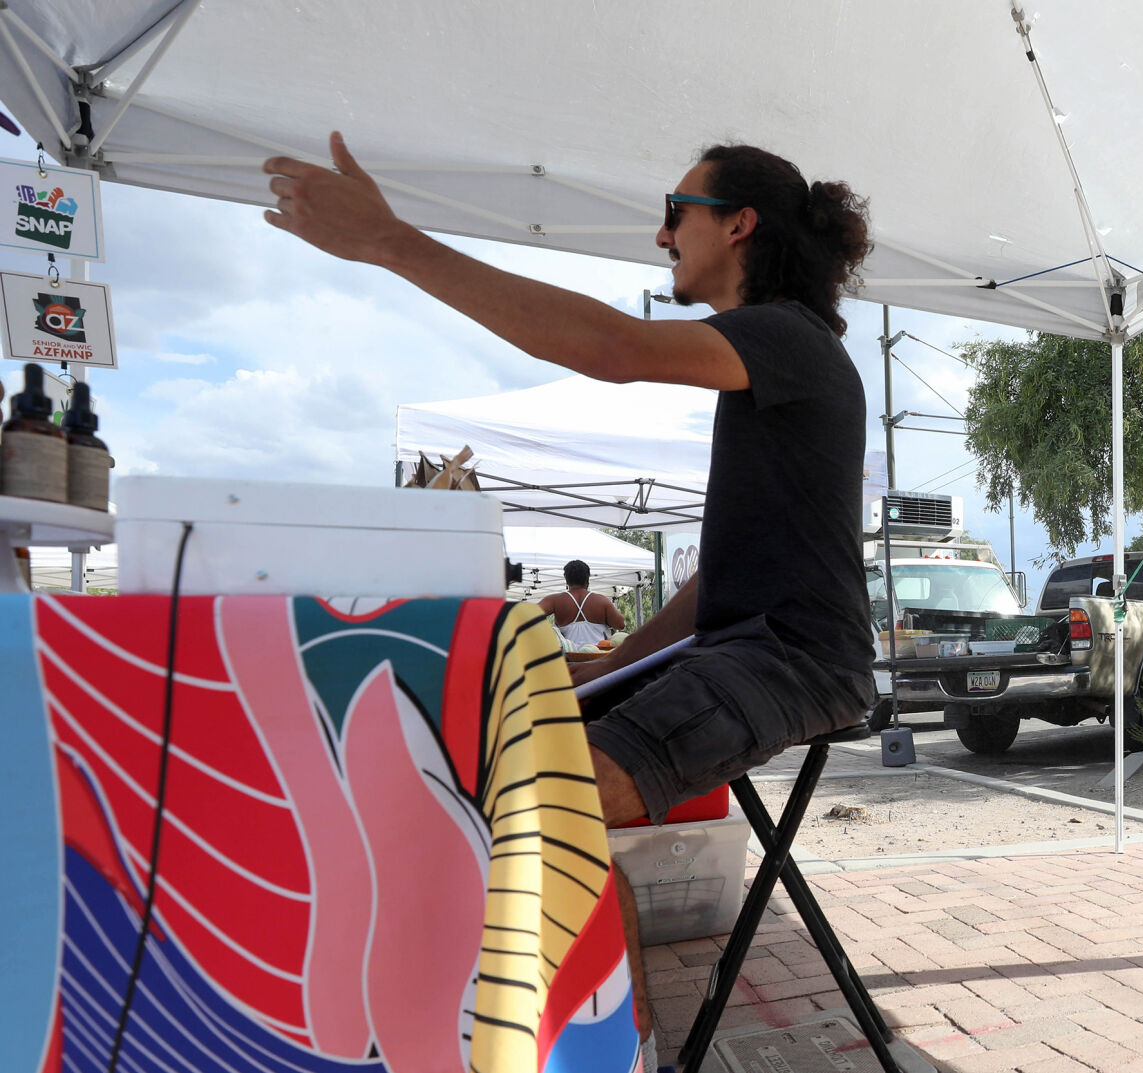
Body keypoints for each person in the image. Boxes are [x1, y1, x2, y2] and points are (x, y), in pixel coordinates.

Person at [263, 135, 878, 1063]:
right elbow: (722, 579)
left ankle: (597, 1045)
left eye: (677, 209)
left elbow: (612, 347)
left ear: (739, 224)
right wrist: (604, 661)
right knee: (500, 760)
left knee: (547, 804)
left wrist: (393, 241)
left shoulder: (789, 338)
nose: (661, 232)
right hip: (744, 644)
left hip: (796, 659)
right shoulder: (771, 361)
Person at [540, 559, 626, 648]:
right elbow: (620, 625)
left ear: (566, 579)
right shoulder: (602, 601)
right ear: (587, 578)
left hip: (569, 656)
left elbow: (528, 616)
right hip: (598, 655)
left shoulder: (555, 600)